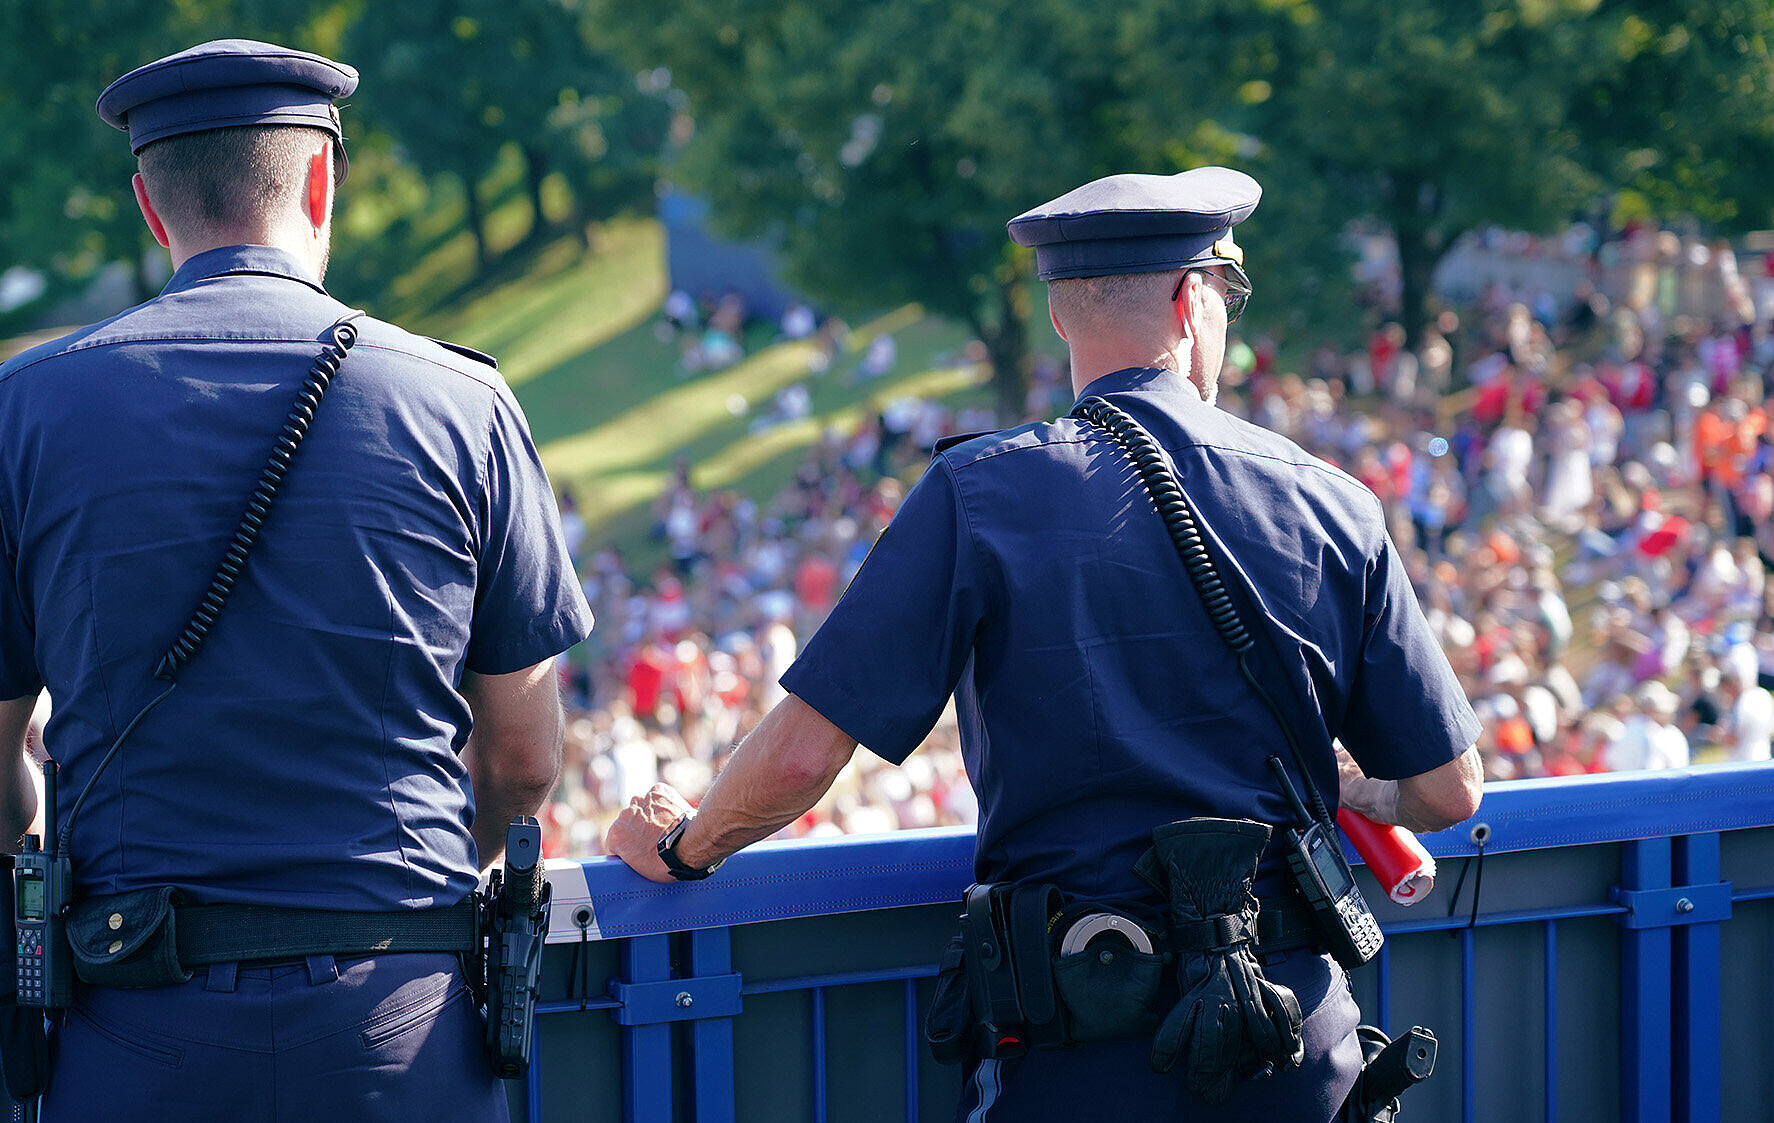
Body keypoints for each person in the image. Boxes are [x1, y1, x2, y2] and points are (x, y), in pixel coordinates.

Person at [607, 167, 1482, 1121]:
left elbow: (810, 748)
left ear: (1062, 318)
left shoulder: (979, 491)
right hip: (1298, 1053)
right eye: (1227, 298)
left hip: (1082, 1046)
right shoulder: (1330, 499)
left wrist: (686, 849)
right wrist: (1354, 789)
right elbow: (1449, 792)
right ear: (1192, 303)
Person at [0, 40, 590, 1122]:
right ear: (318, 180)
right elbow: (526, 756)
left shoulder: (24, 406)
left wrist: (43, 847)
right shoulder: (465, 404)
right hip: (402, 1016)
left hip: (134, 1019)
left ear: (148, 206)